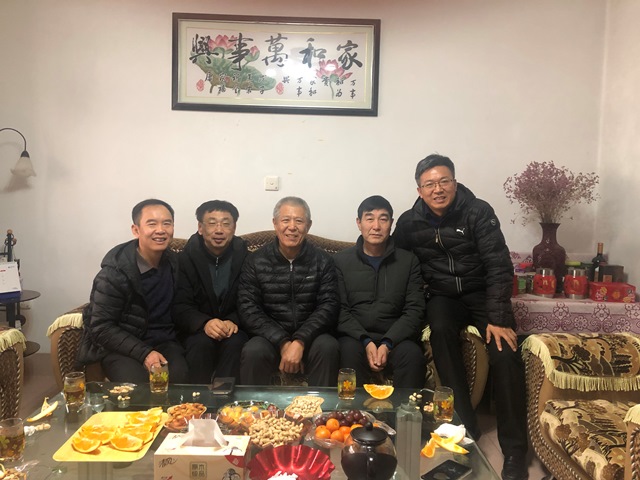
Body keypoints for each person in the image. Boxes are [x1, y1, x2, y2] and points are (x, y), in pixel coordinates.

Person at [394, 155, 529, 480]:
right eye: (429, 184)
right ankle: (465, 423)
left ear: (454, 183)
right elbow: (398, 262)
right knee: (440, 327)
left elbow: (498, 264)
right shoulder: (410, 222)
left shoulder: (478, 211)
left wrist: (498, 317)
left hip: (482, 293)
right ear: (419, 189)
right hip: (442, 296)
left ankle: (514, 452)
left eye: (444, 181)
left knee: (505, 354)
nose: (437, 189)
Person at [77, 199, 189, 384]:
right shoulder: (114, 273)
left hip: (166, 343)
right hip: (122, 347)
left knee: (180, 382)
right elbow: (101, 327)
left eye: (166, 223)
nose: (160, 230)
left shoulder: (175, 264)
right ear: (136, 230)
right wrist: (144, 353)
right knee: (137, 390)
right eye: (152, 224)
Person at [238, 196, 340, 386]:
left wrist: (300, 341)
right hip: (269, 339)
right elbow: (248, 308)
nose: (292, 227)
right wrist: (283, 342)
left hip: (312, 338)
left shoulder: (323, 261)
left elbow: (329, 306)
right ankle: (254, 405)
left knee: (328, 346)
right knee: (253, 350)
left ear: (308, 225)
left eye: (299, 221)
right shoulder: (255, 261)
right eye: (286, 220)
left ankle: (322, 406)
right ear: (275, 223)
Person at [334, 195, 426, 388]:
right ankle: (353, 409)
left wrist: (387, 343)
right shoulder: (340, 261)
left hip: (396, 338)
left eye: (383, 219)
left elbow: (414, 310)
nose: (376, 226)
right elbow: (340, 310)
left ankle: (404, 408)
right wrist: (366, 341)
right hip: (355, 337)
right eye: (369, 218)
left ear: (391, 223)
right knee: (347, 352)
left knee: (412, 355)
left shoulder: (408, 261)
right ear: (359, 223)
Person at [172, 200, 249, 384]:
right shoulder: (184, 259)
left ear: (234, 228)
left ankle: (224, 399)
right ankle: (196, 399)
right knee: (200, 344)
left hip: (233, 327)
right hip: (196, 330)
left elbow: (251, 300)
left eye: (226, 223)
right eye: (212, 223)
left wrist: (233, 320)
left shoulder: (247, 259)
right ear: (200, 227)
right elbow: (180, 304)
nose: (219, 230)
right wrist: (204, 323)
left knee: (235, 343)